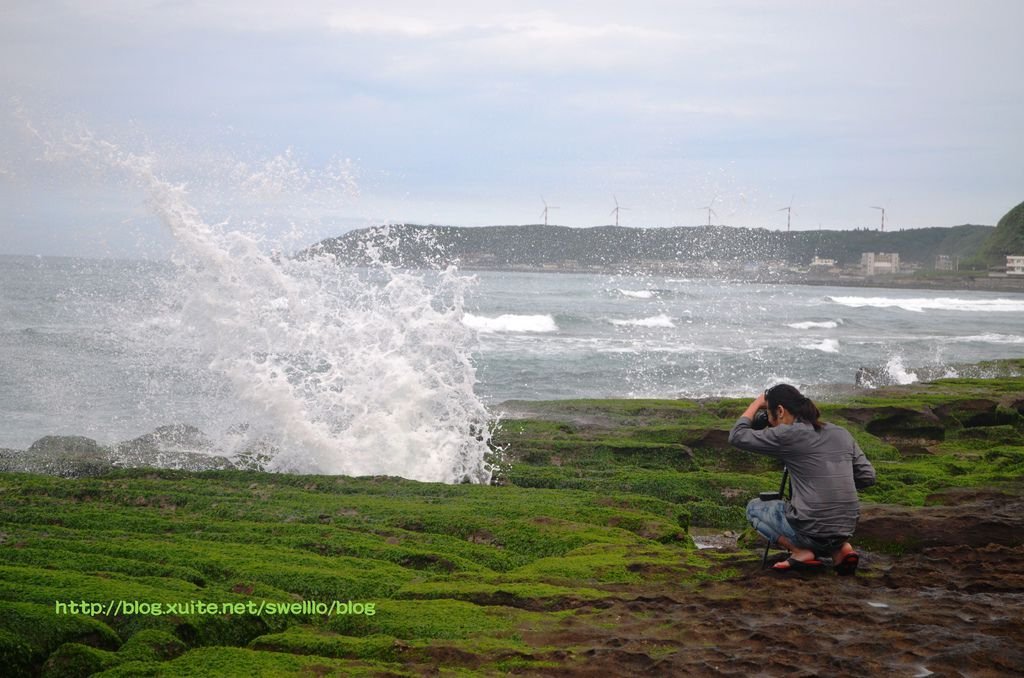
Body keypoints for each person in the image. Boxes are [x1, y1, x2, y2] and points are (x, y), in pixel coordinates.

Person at [729, 384, 876, 575]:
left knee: (754, 508)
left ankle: (801, 552)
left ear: (780, 411)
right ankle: (840, 550)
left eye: (771, 417)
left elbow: (737, 436)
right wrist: (827, 482)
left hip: (810, 529)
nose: (771, 424)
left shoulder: (788, 434)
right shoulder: (841, 433)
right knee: (822, 522)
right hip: (846, 527)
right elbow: (868, 477)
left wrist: (757, 402)